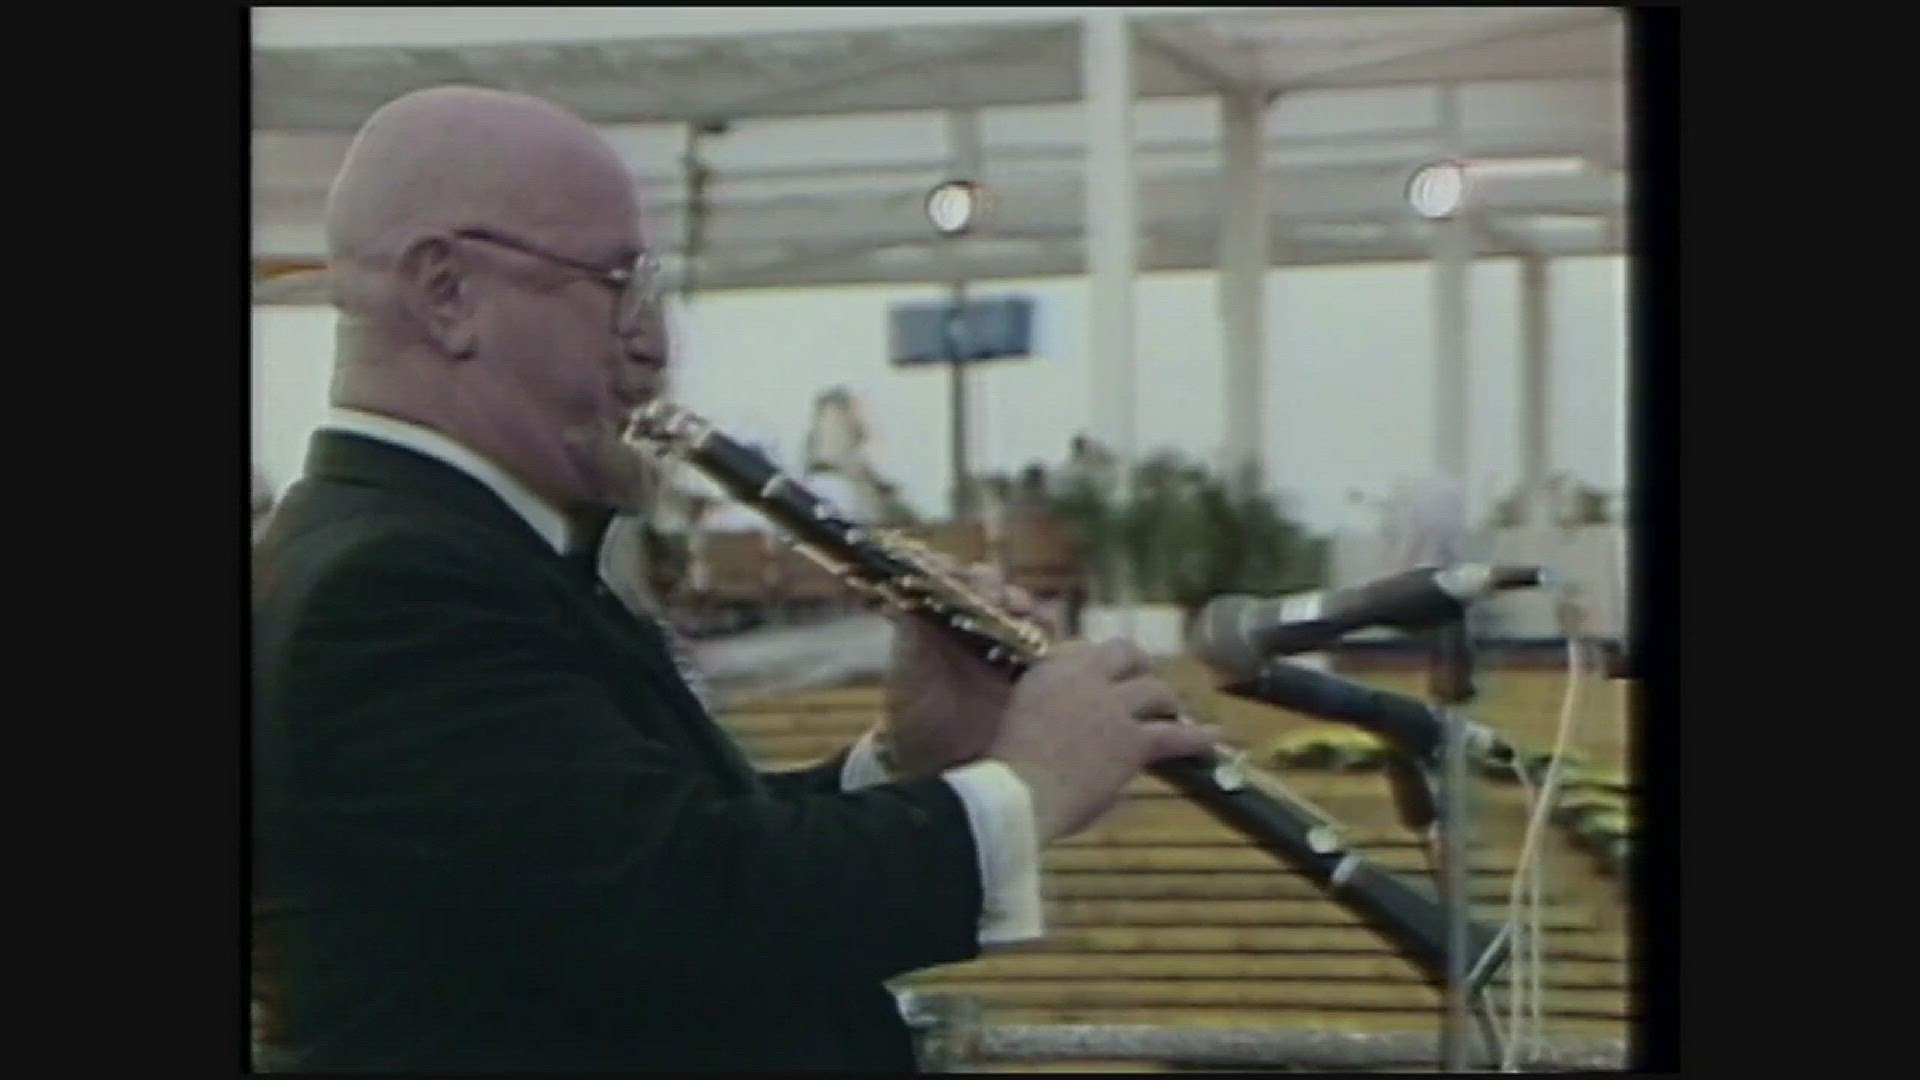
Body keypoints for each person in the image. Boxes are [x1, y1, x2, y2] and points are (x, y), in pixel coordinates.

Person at [251, 85, 1219, 1073]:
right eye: (615, 282)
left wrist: (903, 761)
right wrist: (1029, 786)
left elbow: (625, 853)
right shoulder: (394, 589)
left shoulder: (448, 553)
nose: (654, 343)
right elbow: (690, 910)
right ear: (446, 292)